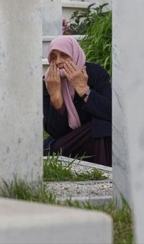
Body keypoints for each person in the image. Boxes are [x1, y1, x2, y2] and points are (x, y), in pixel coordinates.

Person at [42, 36, 112, 166]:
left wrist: (83, 89)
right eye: (53, 57)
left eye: (64, 55)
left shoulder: (94, 73)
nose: (58, 62)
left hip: (96, 138)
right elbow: (56, 133)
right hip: (69, 143)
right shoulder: (49, 82)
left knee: (101, 125)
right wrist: (56, 98)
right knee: (100, 127)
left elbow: (111, 112)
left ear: (75, 54)